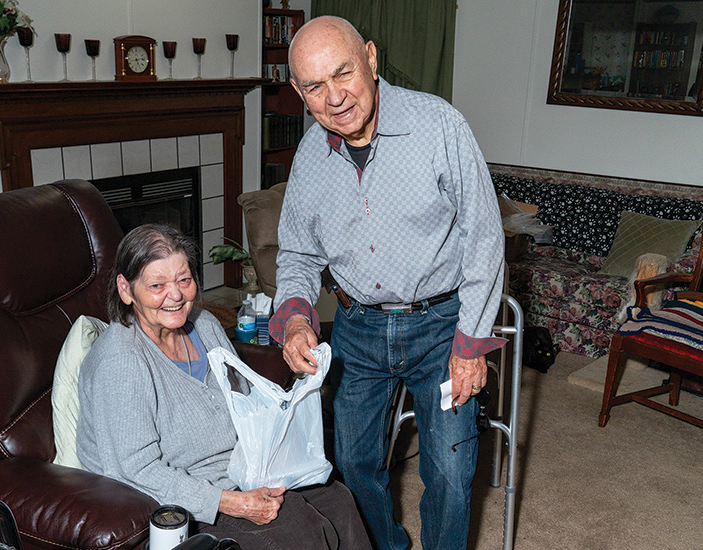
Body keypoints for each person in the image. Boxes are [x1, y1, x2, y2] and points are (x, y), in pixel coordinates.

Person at [270, 16, 506, 550]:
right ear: (298, 92)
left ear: (371, 60)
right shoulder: (310, 156)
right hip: (357, 329)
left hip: (443, 327)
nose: (334, 98)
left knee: (448, 473)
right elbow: (299, 253)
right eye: (314, 86)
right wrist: (297, 320)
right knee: (352, 465)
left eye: (344, 73)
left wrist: (470, 345)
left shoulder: (440, 125)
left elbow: (485, 239)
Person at [76, 224, 371, 550]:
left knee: (338, 501)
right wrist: (232, 502)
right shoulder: (119, 362)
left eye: (184, 280)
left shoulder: (205, 325)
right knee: (300, 529)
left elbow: (243, 401)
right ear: (126, 289)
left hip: (246, 469)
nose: (175, 296)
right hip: (190, 496)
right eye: (157, 285)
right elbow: (137, 470)